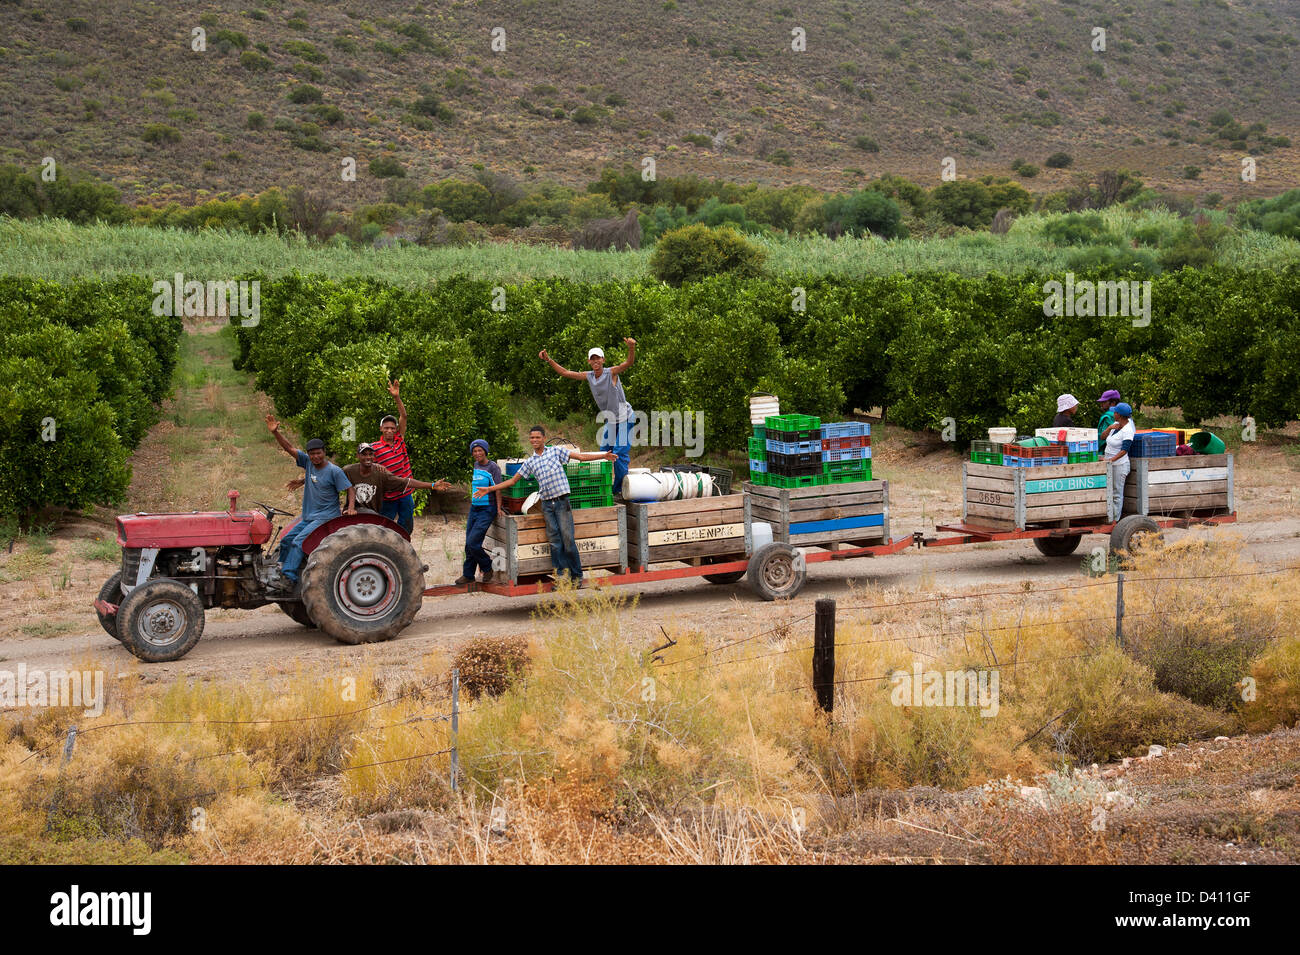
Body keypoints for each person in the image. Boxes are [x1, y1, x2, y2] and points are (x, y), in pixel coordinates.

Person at [474, 426, 616, 585]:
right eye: (532, 438)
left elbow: (580, 457)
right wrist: (489, 488)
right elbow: (512, 481)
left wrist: (603, 455)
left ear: (543, 438)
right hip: (547, 504)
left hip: (562, 501)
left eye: (537, 437)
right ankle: (561, 578)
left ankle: (577, 577)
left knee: (568, 541)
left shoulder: (555, 451)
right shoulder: (530, 462)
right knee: (555, 542)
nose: (534, 440)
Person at [266, 414, 354, 591]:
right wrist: (276, 433)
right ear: (308, 455)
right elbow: (289, 448)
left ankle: (289, 578)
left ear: (324, 452)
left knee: (299, 541)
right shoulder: (308, 464)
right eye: (312, 454)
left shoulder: (334, 471)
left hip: (326, 517)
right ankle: (279, 569)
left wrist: (350, 508)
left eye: (318, 453)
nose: (315, 457)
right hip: (308, 516)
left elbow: (350, 489)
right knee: (286, 539)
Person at [539, 339, 636, 496]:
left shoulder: (611, 372)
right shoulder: (589, 376)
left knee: (619, 453)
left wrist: (631, 347)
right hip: (611, 420)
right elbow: (565, 373)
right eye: (593, 358)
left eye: (598, 358)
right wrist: (549, 359)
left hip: (625, 418)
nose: (596, 361)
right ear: (589, 361)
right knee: (604, 451)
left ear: (603, 360)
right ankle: (603, 486)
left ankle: (619, 490)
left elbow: (628, 363)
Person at [287, 443, 449, 518]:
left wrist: (432, 485)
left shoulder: (381, 474)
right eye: (364, 454)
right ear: (358, 456)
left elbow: (406, 481)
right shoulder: (348, 470)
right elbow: (328, 477)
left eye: (370, 454)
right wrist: (303, 481)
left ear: (374, 456)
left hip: (372, 514)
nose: (368, 457)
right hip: (351, 513)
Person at [372, 379, 418, 534]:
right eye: (386, 428)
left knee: (406, 525)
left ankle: (402, 547)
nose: (390, 431)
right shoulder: (374, 448)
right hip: (388, 496)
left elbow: (403, 416)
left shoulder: (399, 440)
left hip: (405, 492)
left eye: (392, 428)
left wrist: (396, 397)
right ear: (381, 429)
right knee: (384, 527)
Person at [455, 439, 504, 586]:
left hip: (487, 509)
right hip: (474, 508)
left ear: (485, 451)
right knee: (468, 544)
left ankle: (487, 567)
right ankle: (468, 575)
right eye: (474, 451)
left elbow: (498, 488)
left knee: (473, 543)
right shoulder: (476, 465)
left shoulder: (493, 467)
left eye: (480, 450)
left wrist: (498, 508)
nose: (477, 453)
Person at [1101, 402, 1136, 521]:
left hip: (1120, 465)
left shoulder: (1128, 430)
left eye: (1114, 412)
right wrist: (1109, 427)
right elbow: (1102, 437)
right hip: (1110, 464)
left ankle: (1115, 520)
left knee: (1117, 493)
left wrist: (1110, 460)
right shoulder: (1115, 425)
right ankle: (1110, 516)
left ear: (1119, 415)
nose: (1113, 413)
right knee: (1110, 491)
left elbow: (1124, 450)